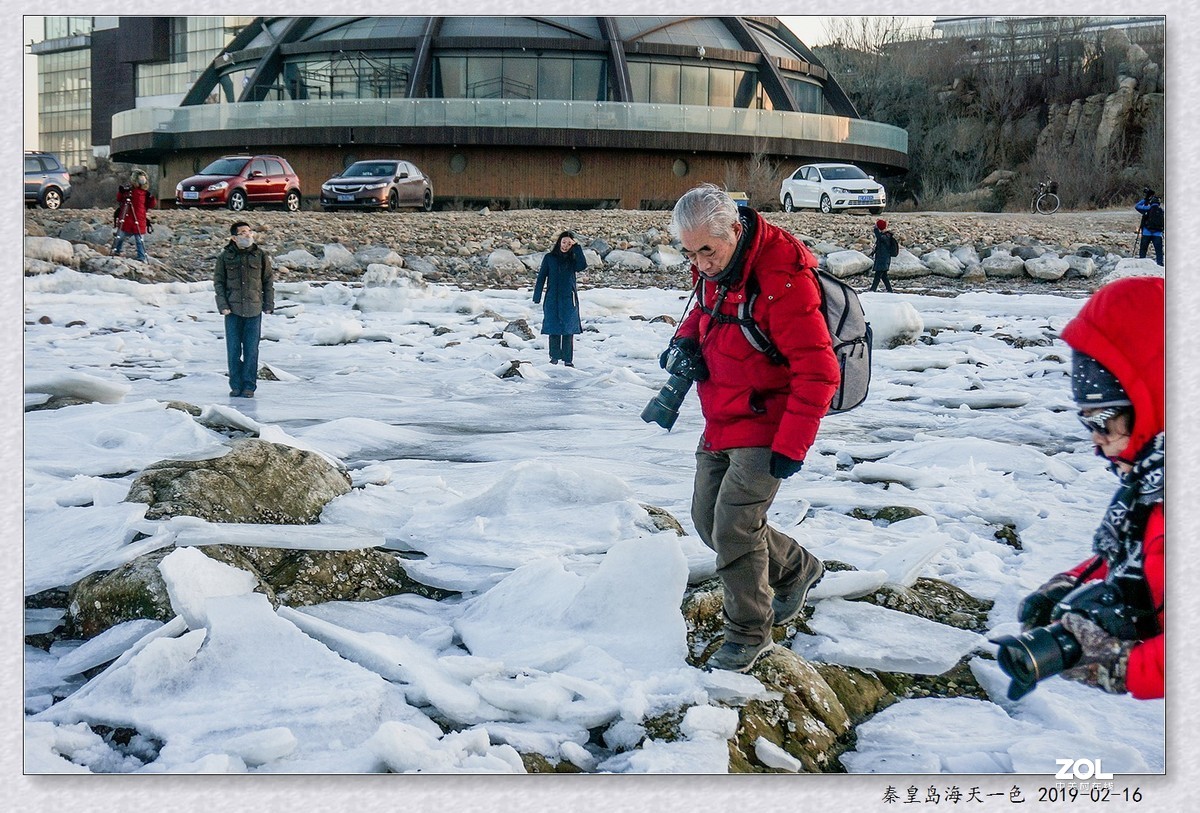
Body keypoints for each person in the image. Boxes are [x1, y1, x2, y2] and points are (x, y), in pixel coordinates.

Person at [666, 184, 839, 673]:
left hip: (770, 422)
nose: (699, 263)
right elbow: (703, 314)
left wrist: (792, 445)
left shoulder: (783, 277)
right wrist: (682, 344)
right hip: (721, 414)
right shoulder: (714, 268)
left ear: (735, 233)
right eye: (689, 251)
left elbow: (819, 369)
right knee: (708, 522)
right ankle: (799, 567)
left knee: (736, 527)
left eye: (707, 251)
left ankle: (748, 633)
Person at [1017, 276, 1163, 698]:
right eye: (1086, 422)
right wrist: (1075, 580)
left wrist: (1125, 667)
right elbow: (1146, 553)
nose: (1095, 440)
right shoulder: (1157, 480)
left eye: (1103, 422)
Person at [214, 221, 274, 398]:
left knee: (251, 350)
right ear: (234, 237)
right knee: (233, 350)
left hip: (254, 310)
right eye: (243, 233)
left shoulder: (260, 255)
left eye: (249, 232)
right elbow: (219, 283)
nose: (247, 235)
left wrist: (269, 304)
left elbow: (268, 282)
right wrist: (223, 306)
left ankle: (249, 386)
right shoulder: (225, 257)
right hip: (232, 311)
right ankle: (235, 386)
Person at [533, 230, 586, 366]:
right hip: (552, 298)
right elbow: (541, 277)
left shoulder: (573, 258)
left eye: (569, 243)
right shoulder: (549, 258)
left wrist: (577, 248)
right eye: (563, 242)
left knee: (568, 329)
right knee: (554, 328)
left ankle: (568, 360)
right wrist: (537, 296)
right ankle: (554, 357)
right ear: (559, 242)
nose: (565, 245)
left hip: (569, 298)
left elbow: (582, 266)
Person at [112, 169, 156, 263]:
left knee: (139, 240)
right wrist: (121, 192)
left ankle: (141, 256)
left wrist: (151, 198)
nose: (142, 181)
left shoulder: (145, 194)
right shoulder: (128, 191)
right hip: (129, 218)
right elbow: (119, 199)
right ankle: (117, 251)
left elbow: (151, 205)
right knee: (121, 236)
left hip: (138, 219)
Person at [1134, 188, 1164, 266]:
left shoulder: (1147, 209)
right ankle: (1160, 264)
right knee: (1159, 251)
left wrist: (1145, 199)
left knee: (1143, 250)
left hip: (1146, 232)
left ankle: (1141, 263)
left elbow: (1137, 206)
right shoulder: (1162, 211)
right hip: (1158, 233)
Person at [868, 218, 896, 293]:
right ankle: (889, 290)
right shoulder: (885, 236)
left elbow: (879, 237)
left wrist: (876, 229)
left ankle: (872, 290)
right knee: (884, 276)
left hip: (883, 259)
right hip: (883, 259)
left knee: (877, 276)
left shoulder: (885, 236)